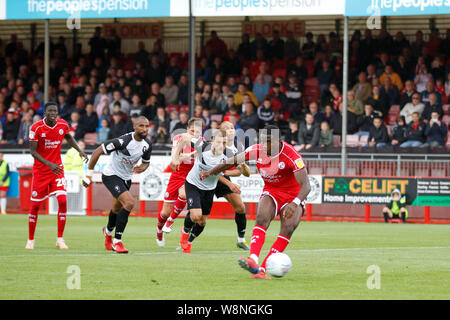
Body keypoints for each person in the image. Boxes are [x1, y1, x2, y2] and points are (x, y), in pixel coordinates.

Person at [200, 125, 311, 279]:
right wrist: (210, 172)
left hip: (293, 196)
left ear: (278, 140)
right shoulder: (256, 150)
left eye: (268, 142)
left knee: (289, 227)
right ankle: (253, 260)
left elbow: (306, 186)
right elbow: (230, 162)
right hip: (272, 191)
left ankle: (263, 269)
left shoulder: (292, 155)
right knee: (262, 218)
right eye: (262, 141)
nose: (264, 145)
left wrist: (295, 203)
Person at [82, 116, 152, 254]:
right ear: (135, 127)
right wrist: (89, 175)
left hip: (126, 179)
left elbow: (146, 162)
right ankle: (117, 241)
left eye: (147, 126)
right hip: (111, 176)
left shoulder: (147, 144)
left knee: (115, 208)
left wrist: (141, 168)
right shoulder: (123, 141)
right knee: (130, 203)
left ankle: (107, 232)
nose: (144, 129)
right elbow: (97, 151)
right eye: (141, 126)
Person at [26, 102, 88, 250]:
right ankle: (30, 240)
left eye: (55, 111)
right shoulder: (36, 128)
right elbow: (33, 152)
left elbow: (69, 137)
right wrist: (49, 164)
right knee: (35, 206)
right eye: (50, 111)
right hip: (41, 171)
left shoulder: (63, 125)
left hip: (57, 170)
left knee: (62, 200)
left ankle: (60, 239)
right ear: (45, 113)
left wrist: (79, 150)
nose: (53, 113)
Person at [178, 129, 241, 253]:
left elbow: (240, 171)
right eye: (218, 142)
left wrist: (231, 171)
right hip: (193, 184)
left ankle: (189, 242)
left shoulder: (229, 154)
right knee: (196, 216)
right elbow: (184, 136)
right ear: (212, 141)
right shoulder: (202, 146)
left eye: (224, 143)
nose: (221, 146)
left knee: (202, 221)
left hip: (209, 189)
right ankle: (184, 233)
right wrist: (175, 157)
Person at [157, 118, 204, 247]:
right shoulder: (179, 137)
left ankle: (170, 222)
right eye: (193, 131)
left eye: (198, 131)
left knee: (183, 195)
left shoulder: (202, 142)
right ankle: (159, 231)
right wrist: (190, 154)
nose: (195, 134)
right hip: (177, 174)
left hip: (190, 176)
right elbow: (176, 157)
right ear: (187, 129)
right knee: (164, 212)